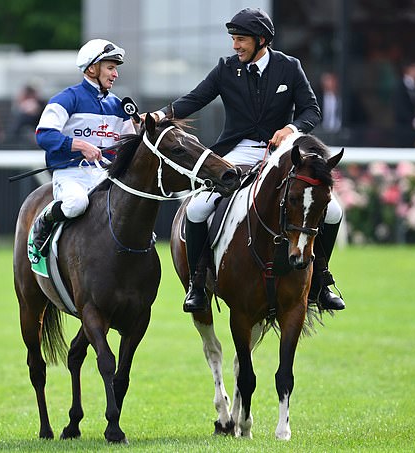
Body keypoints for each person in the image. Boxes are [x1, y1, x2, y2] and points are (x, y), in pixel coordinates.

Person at [147, 8, 345, 313]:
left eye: (240, 39)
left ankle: (321, 280)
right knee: (199, 207)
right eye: (233, 39)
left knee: (332, 210)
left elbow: (311, 111)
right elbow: (195, 98)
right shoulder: (226, 69)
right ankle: (198, 283)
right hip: (236, 152)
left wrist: (290, 129)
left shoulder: (290, 67)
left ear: (261, 40)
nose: (235, 45)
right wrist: (159, 115)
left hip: (282, 153)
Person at [31, 38, 136, 254]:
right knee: (76, 204)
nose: (115, 74)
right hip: (71, 175)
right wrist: (79, 145)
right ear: (91, 69)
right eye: (110, 68)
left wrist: (142, 126)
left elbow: (130, 147)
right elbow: (44, 135)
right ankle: (45, 220)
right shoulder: (66, 99)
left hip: (105, 176)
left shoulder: (118, 106)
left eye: (115, 69)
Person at [393, 61, 415, 147]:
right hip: (404, 131)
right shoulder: (400, 87)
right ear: (409, 69)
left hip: (413, 129)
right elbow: (401, 110)